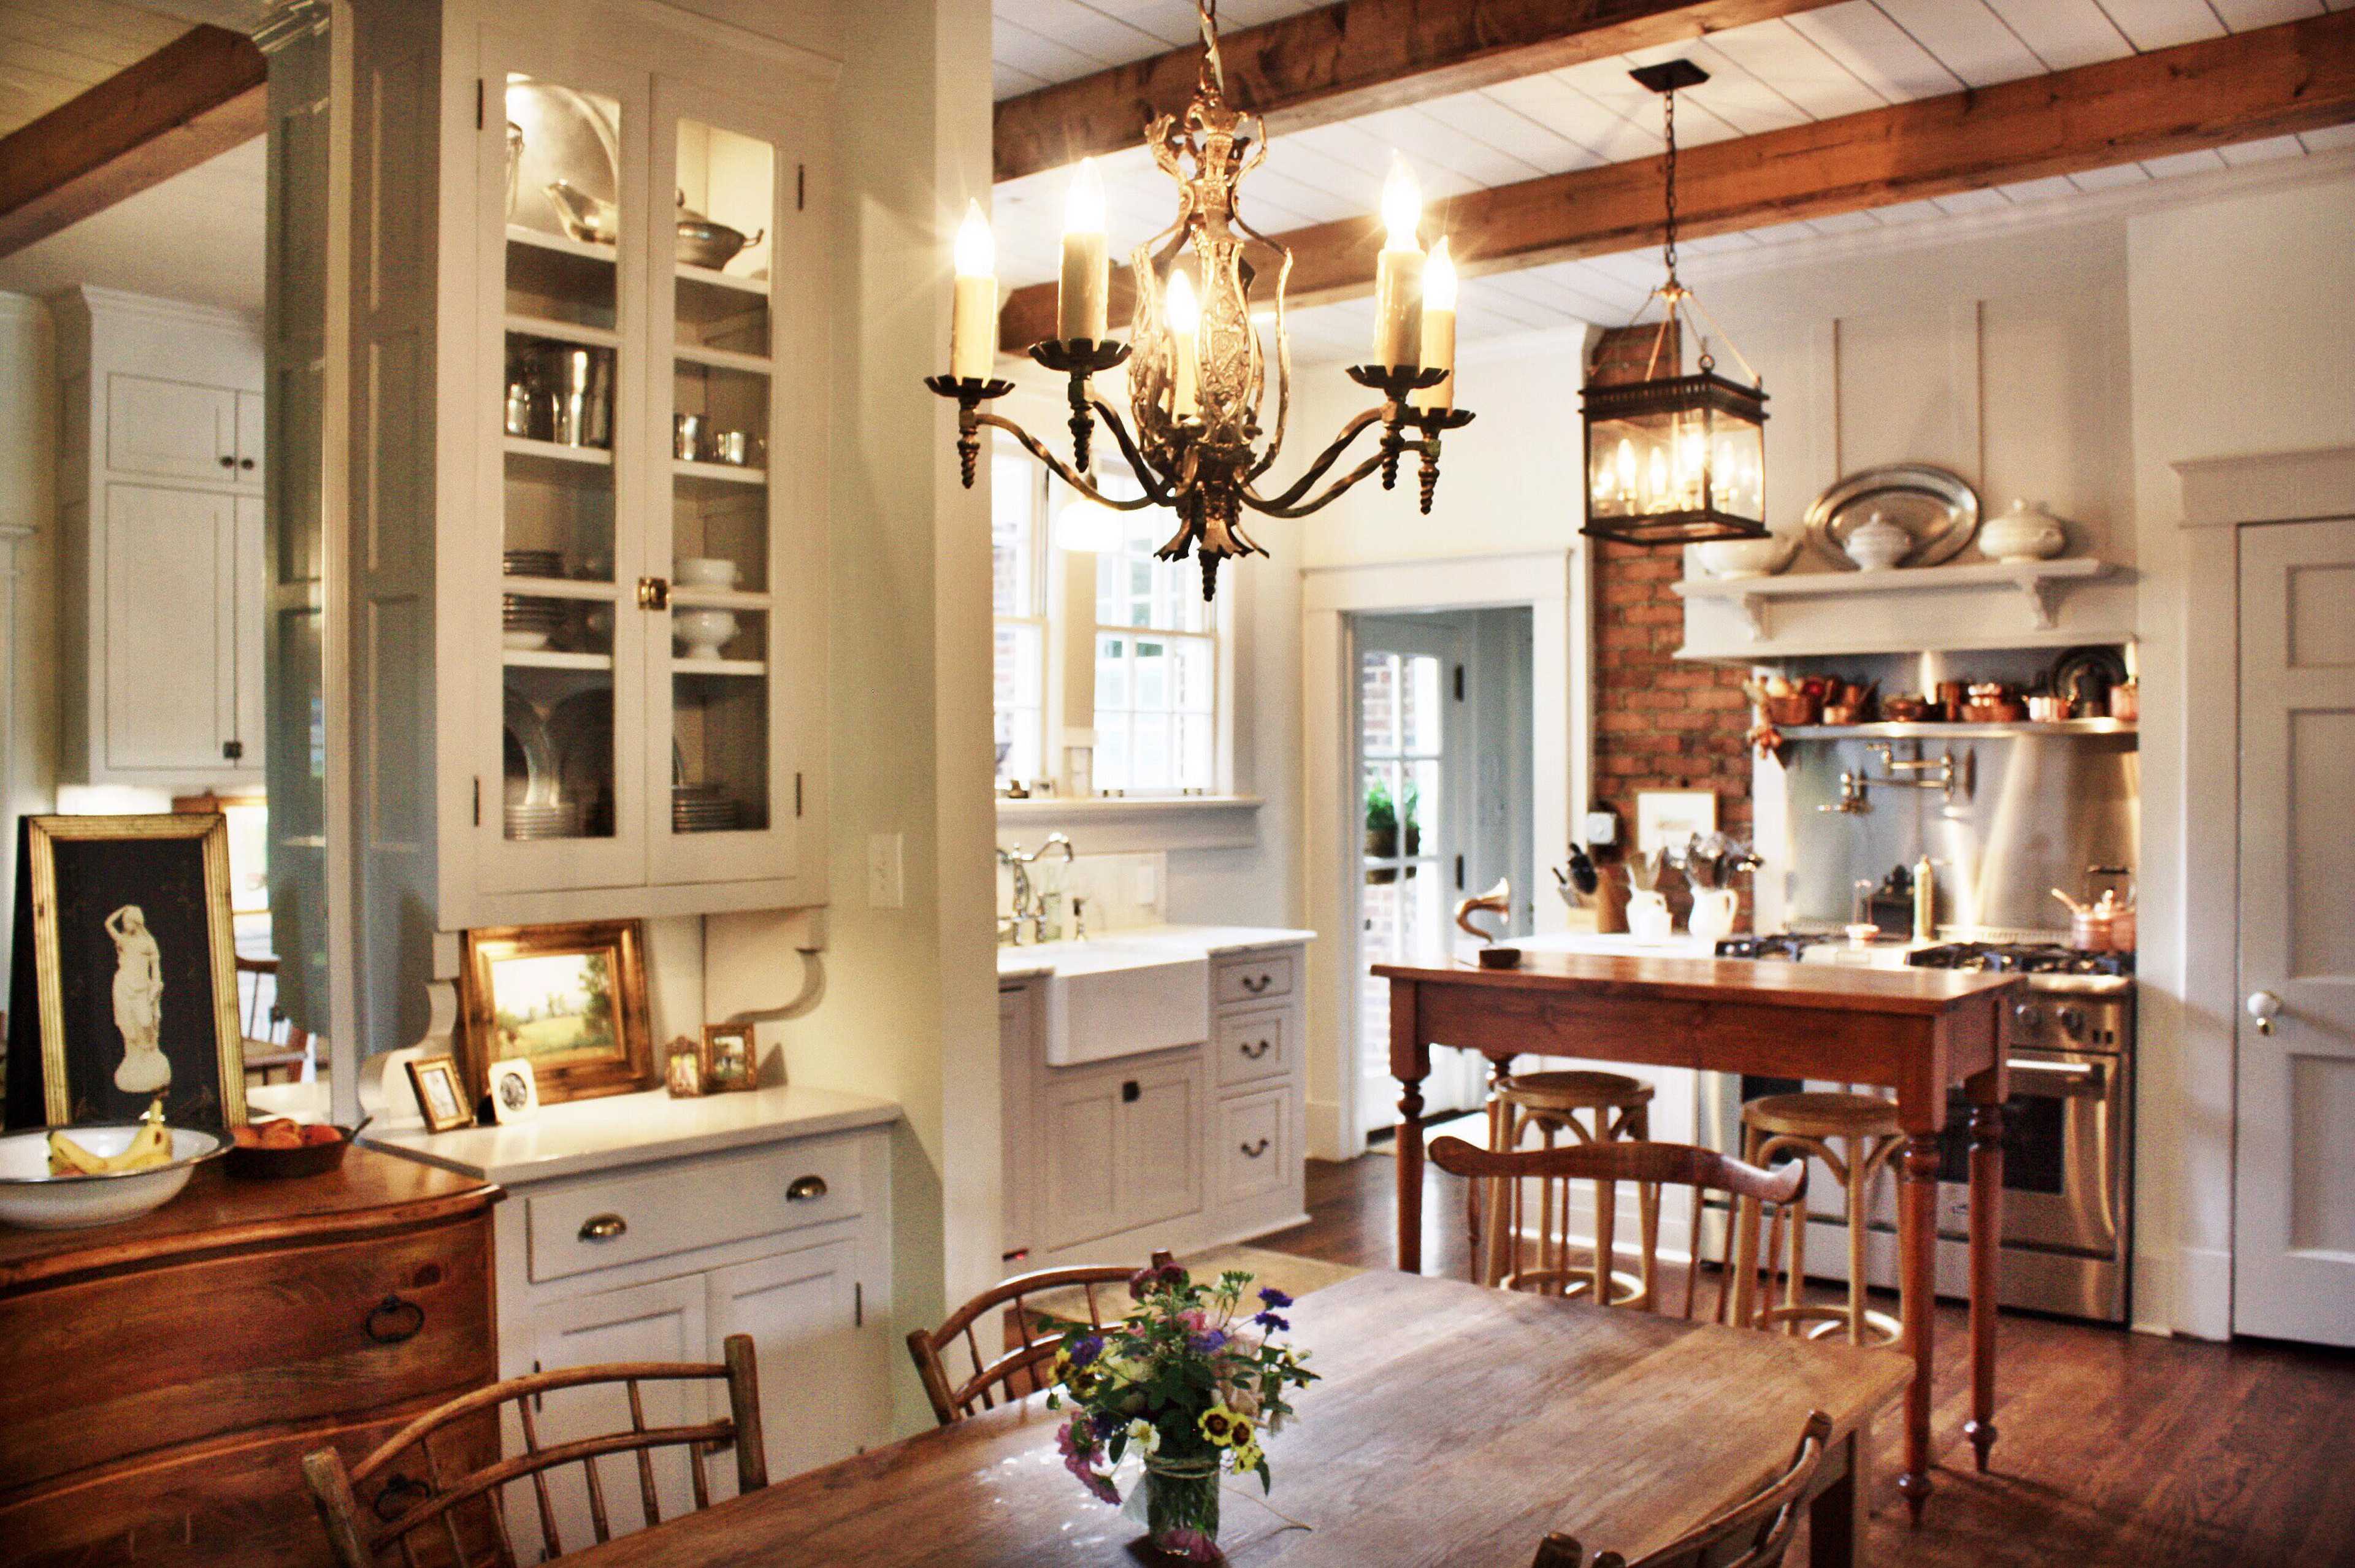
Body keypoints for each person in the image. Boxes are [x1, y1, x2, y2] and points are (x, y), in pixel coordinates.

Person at [107, 904, 172, 1094]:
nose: (125, 924)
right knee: (127, 1023)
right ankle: (133, 1057)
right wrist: (123, 909)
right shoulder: (123, 941)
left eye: (128, 921)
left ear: (137, 921)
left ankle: (149, 1053)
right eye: (124, 922)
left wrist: (156, 984)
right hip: (123, 985)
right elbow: (109, 924)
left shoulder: (148, 943)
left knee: (145, 1022)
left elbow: (156, 967)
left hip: (141, 987)